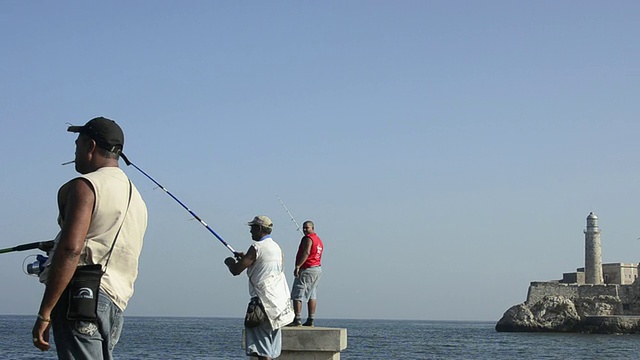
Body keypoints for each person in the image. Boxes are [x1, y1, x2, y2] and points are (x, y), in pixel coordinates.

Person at [32, 117, 148, 359]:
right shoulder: (138, 199)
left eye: (77, 145)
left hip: (81, 298)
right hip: (115, 304)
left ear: (90, 146)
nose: (75, 152)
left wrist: (45, 313)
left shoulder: (85, 186)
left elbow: (71, 250)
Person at [224, 215, 294, 360]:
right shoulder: (276, 247)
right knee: (270, 346)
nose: (250, 231)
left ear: (260, 228)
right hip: (278, 303)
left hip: (262, 302)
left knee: (262, 349)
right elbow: (267, 267)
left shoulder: (256, 247)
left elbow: (236, 270)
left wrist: (230, 261)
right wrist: (247, 258)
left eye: (253, 228)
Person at [289, 220, 324, 327]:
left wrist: (298, 266)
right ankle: (311, 319)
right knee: (312, 294)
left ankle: (297, 318)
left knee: (297, 293)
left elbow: (306, 252)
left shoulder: (308, 239)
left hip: (308, 269)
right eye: (303, 227)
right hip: (317, 269)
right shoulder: (318, 240)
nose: (305, 230)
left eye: (307, 228)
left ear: (312, 228)